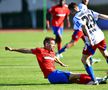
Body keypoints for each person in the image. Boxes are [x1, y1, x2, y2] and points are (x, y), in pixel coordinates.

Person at [5, 37, 107, 85]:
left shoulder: (52, 52)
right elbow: (26, 50)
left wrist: (61, 63)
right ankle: (96, 79)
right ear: (45, 44)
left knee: (75, 80)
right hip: (52, 75)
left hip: (56, 74)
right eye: (48, 43)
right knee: (75, 75)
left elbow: (54, 58)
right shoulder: (40, 50)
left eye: (52, 44)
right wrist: (13, 49)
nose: (51, 45)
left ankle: (93, 82)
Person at [57, 2, 108, 84]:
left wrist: (90, 39)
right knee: (105, 54)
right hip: (100, 35)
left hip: (93, 39)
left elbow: (83, 26)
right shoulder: (88, 11)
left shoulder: (76, 17)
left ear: (72, 10)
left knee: (84, 59)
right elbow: (100, 15)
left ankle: (94, 80)